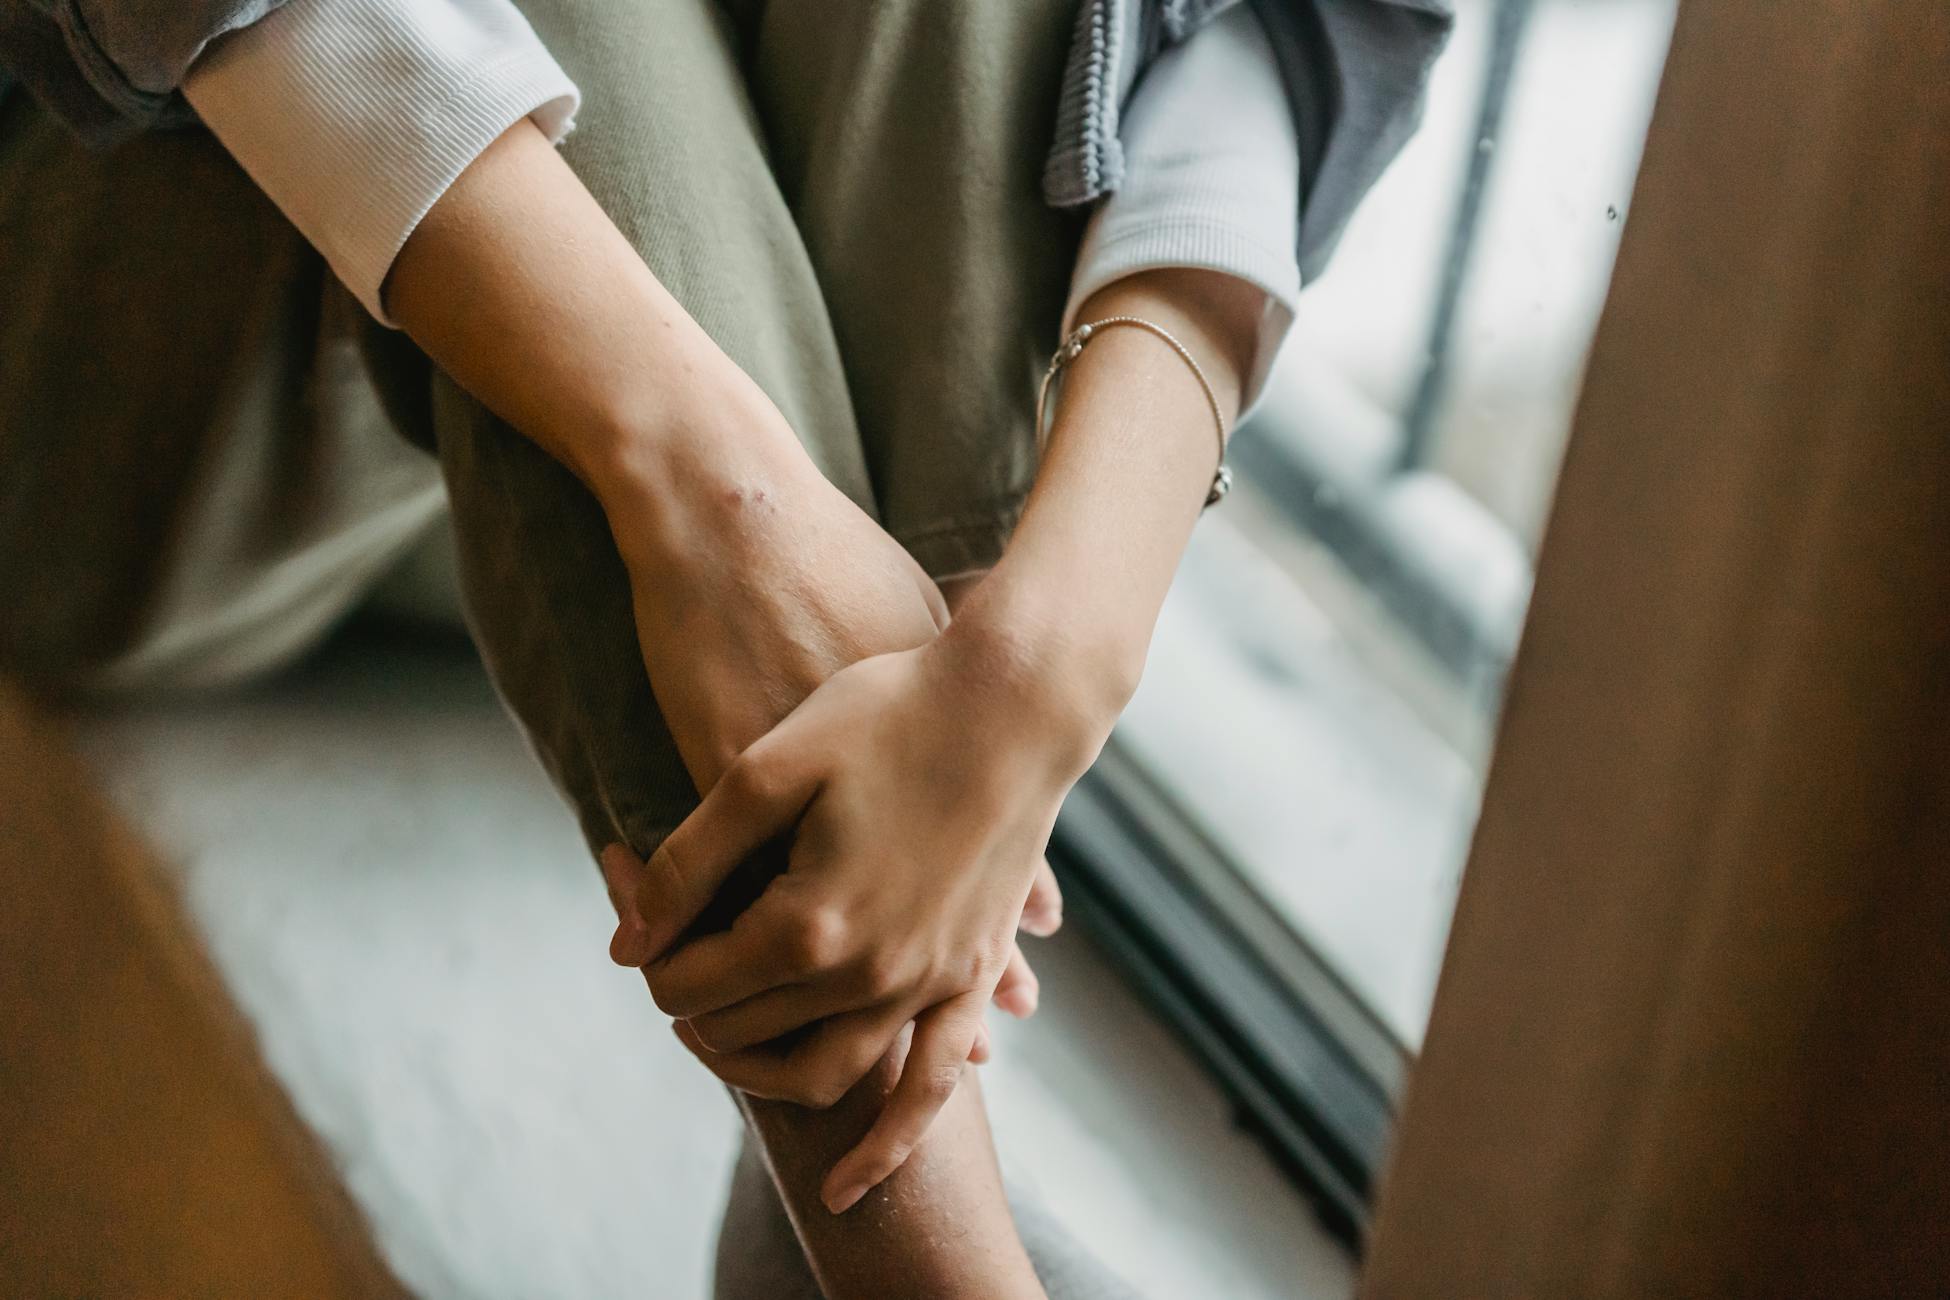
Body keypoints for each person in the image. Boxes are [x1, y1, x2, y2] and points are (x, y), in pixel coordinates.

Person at [0, 0, 1448, 1294]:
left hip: (544, 514)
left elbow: (1301, 25)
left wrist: (1049, 647)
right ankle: (902, 1253)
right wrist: (707, 490)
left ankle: (847, 1144)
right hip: (130, 415)